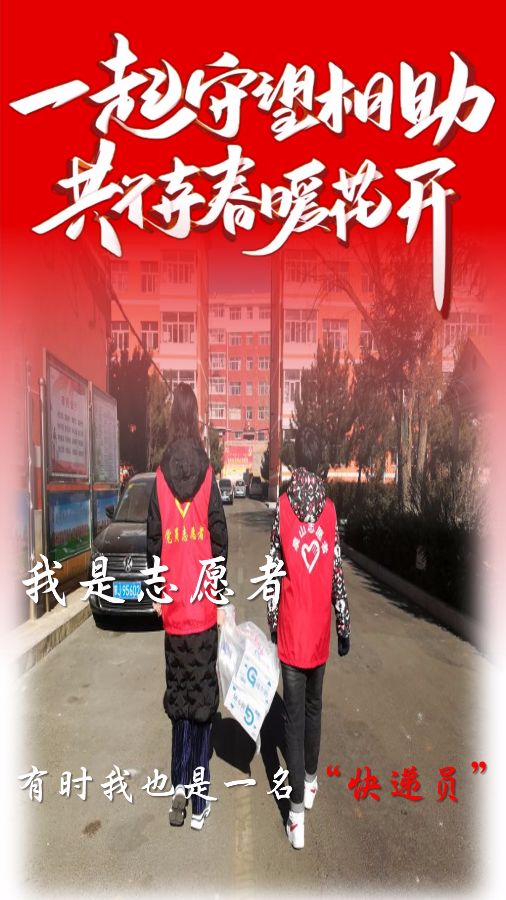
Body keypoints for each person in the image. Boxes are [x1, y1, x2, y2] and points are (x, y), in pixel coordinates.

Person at [147, 383, 228, 831]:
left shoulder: (159, 477)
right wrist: (218, 595)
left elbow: (153, 541)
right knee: (202, 703)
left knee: (179, 700)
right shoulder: (209, 474)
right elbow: (219, 539)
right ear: (194, 417)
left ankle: (178, 784)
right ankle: (198, 803)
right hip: (203, 612)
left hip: (175, 612)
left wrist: (159, 595)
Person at [267, 426, 350, 850]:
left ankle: (296, 817)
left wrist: (272, 622)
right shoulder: (331, 511)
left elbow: (272, 573)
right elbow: (336, 572)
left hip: (291, 632)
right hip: (318, 633)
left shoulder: (282, 507)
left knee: (293, 721)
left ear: (296, 459)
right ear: (319, 461)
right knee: (314, 710)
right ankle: (312, 782)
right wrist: (343, 624)